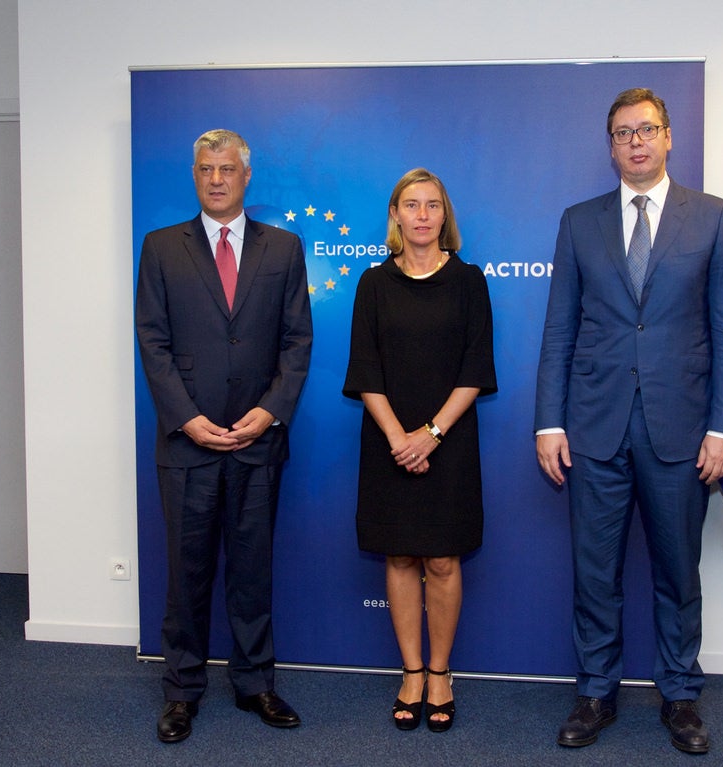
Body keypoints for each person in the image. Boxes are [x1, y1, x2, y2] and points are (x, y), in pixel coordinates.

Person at [534, 88, 723, 754]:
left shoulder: (712, 218)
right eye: (623, 133)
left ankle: (680, 693)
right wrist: (548, 422)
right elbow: (561, 327)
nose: (636, 142)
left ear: (669, 137)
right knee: (594, 571)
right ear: (611, 145)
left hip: (682, 429)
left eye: (646, 130)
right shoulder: (579, 221)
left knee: (678, 570)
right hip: (593, 427)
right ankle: (596, 691)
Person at [135, 128, 313, 743]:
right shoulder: (161, 247)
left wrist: (269, 412)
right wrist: (186, 417)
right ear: (194, 176)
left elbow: (297, 341)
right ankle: (181, 691)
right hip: (187, 442)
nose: (216, 178)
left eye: (228, 168)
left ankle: (255, 683)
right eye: (206, 168)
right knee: (186, 574)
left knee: (252, 570)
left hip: (258, 440)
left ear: (246, 176)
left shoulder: (284, 248)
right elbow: (152, 342)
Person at [343, 168, 497, 733]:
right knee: (401, 556)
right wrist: (398, 439)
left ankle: (440, 673)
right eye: (412, 204)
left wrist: (428, 435)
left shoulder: (469, 281)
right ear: (397, 216)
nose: (424, 215)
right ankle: (410, 672)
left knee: (442, 558)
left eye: (434, 204)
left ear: (444, 215)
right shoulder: (373, 283)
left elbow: (476, 369)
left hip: (449, 442)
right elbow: (365, 371)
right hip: (387, 441)